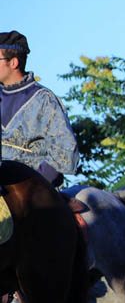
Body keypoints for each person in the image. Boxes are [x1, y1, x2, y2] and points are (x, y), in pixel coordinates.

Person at [0, 30, 78, 187]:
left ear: (13, 63)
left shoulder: (44, 99)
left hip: (32, 190)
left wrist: (35, 183)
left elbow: (64, 149)